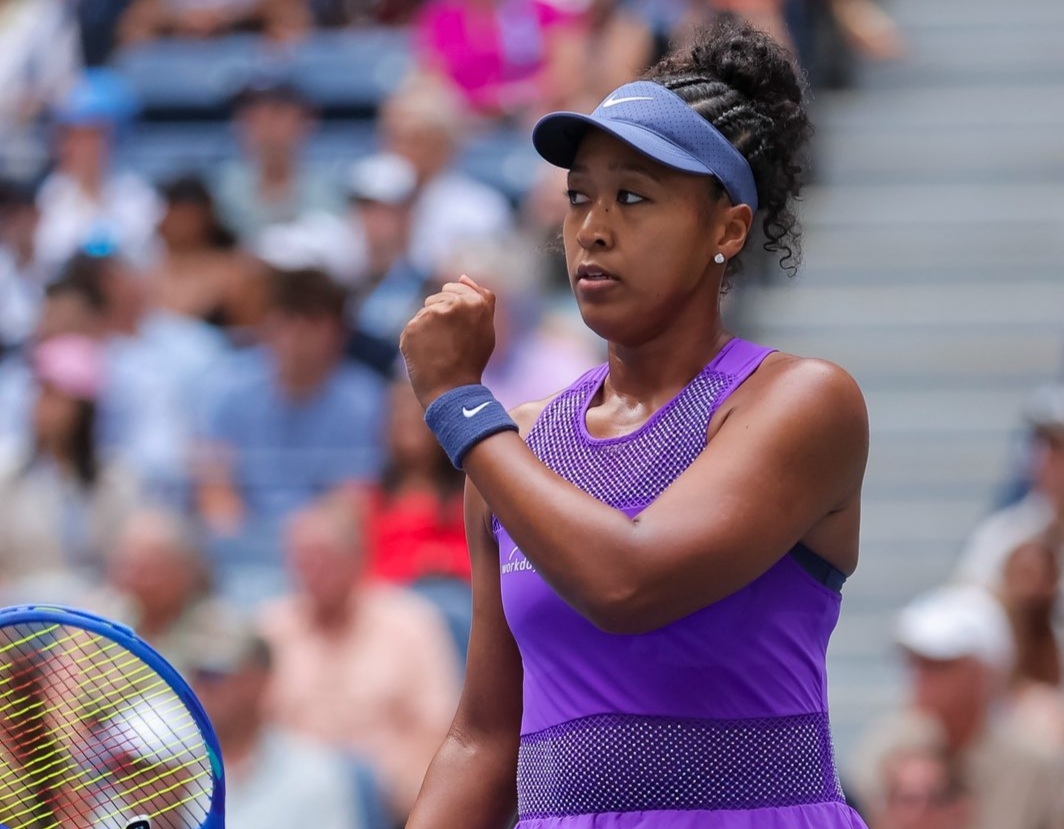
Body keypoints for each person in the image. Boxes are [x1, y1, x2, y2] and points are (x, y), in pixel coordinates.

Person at [399, 15, 871, 829]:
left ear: (726, 228)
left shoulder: (803, 401)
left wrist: (459, 406)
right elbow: (482, 739)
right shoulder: (512, 444)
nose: (594, 227)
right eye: (578, 196)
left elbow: (628, 581)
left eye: (633, 196)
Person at [260, 497, 461, 822]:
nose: (313, 572)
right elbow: (255, 729)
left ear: (357, 559)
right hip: (292, 802)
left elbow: (439, 730)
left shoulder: (412, 624)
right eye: (302, 560)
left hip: (385, 800)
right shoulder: (270, 628)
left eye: (324, 559)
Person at [851, 584, 1064, 829]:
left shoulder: (1034, 765)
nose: (921, 679)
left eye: (939, 665)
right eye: (916, 663)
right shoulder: (884, 748)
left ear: (985, 674)